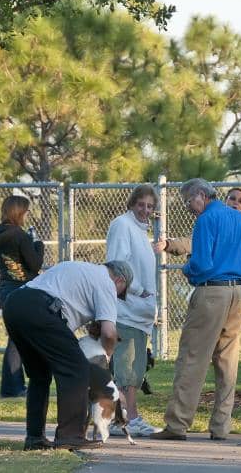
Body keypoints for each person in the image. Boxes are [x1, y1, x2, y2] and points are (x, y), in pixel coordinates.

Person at [151, 178, 241, 441]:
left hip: (211, 292)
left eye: (189, 202)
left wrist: (187, 268)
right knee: (227, 362)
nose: (189, 208)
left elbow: (202, 263)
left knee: (192, 358)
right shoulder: (239, 219)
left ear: (200, 195)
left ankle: (177, 424)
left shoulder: (206, 220)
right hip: (236, 293)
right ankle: (221, 426)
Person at [2, 259, 133, 451]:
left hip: (15, 304)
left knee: (40, 375)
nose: (117, 297)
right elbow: (109, 333)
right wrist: (107, 355)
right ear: (120, 281)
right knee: (77, 369)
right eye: (121, 293)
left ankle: (34, 437)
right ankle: (70, 436)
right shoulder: (106, 283)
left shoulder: (78, 268)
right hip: (42, 310)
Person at [105, 184, 163, 437]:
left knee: (136, 369)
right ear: (132, 203)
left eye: (150, 206)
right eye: (141, 205)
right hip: (127, 308)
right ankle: (125, 419)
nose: (145, 210)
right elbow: (118, 264)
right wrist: (138, 290)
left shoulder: (141, 231)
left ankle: (128, 417)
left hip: (141, 313)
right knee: (126, 368)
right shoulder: (122, 225)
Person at [0, 195, 44, 398]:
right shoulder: (20, 235)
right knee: (18, 339)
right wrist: (39, 245)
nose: (27, 215)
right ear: (19, 212)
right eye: (26, 211)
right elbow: (35, 264)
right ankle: (12, 387)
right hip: (22, 289)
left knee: (17, 337)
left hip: (5, 288)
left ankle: (14, 385)